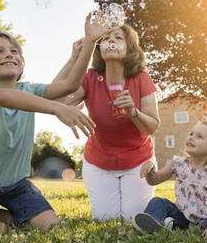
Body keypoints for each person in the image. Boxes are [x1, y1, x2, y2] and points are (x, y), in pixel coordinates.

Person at [0, 13, 112, 233]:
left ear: (21, 66)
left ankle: (0, 213)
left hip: (16, 185)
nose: (9, 54)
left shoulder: (29, 90)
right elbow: (2, 97)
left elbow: (68, 85)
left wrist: (89, 44)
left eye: (14, 51)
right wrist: (57, 108)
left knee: (50, 225)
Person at [56, 24, 160, 220]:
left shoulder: (141, 78)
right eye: (106, 38)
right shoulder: (91, 78)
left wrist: (133, 111)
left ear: (130, 48)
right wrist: (73, 59)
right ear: (99, 48)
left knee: (133, 218)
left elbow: (152, 126)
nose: (111, 41)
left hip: (138, 161)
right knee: (106, 219)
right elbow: (55, 99)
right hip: (99, 163)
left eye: (118, 38)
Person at [132, 121, 207, 240]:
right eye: (191, 134)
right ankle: (154, 224)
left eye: (199, 136)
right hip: (182, 215)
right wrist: (150, 170)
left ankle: (199, 228)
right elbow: (154, 180)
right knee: (158, 201)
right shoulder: (178, 164)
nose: (191, 138)